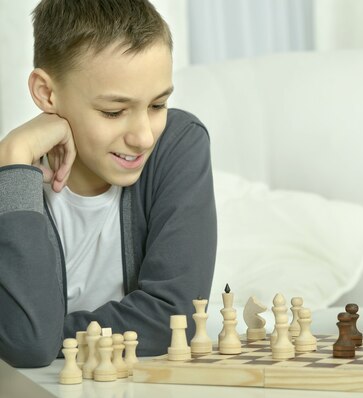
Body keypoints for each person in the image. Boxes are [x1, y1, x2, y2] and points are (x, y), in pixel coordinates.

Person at [0, 0, 217, 368]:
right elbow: (29, 345)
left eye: (158, 104)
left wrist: (44, 335)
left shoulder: (178, 144)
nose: (144, 137)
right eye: (113, 112)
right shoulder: (12, 184)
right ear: (46, 93)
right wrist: (14, 154)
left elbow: (173, 319)